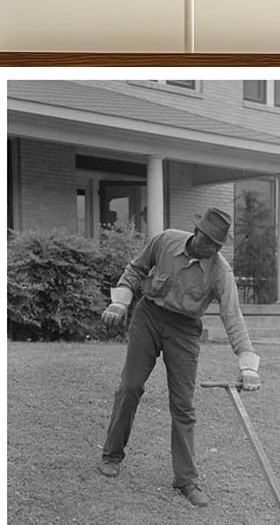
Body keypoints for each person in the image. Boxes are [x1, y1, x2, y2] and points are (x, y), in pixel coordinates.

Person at [98, 207, 262, 507]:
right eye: (208, 241)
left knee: (183, 405)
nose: (212, 249)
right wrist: (120, 302)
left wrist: (248, 364)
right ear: (197, 233)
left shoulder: (220, 271)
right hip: (148, 316)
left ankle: (186, 480)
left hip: (185, 330)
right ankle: (111, 455)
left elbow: (232, 316)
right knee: (130, 386)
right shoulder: (165, 241)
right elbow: (135, 270)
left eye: (217, 245)